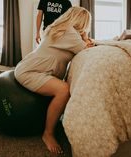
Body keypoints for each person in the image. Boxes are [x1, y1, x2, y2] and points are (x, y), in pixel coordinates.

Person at [14, 6, 94, 154]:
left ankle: (52, 119)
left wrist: (84, 38)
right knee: (63, 90)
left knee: (63, 88)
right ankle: (48, 134)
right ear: (82, 22)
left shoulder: (60, 28)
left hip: (32, 68)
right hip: (30, 72)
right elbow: (87, 49)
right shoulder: (69, 33)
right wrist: (85, 36)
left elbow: (85, 45)